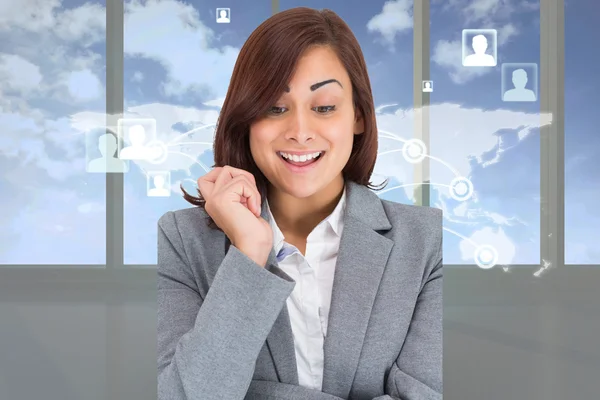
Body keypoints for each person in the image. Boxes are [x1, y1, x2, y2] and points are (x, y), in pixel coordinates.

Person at [157, 7, 442, 400]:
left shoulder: (428, 242)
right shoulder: (180, 240)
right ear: (246, 119)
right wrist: (249, 254)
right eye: (275, 108)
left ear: (358, 116)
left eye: (324, 107)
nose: (300, 132)